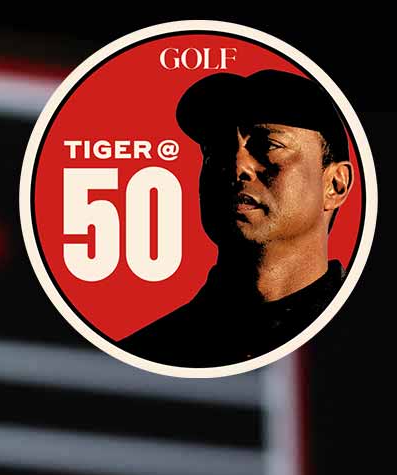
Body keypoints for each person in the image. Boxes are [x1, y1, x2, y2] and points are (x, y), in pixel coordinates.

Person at [119, 69, 356, 367]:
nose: (236, 165)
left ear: (335, 184)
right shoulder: (141, 359)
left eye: (268, 144)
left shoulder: (372, 349)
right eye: (215, 149)